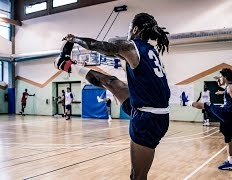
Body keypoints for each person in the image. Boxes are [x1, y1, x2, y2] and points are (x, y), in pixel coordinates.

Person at [54, 13, 170, 179]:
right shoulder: (149, 50)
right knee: (112, 82)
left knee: (137, 177)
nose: (127, 31)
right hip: (150, 109)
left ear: (135, 29)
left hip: (148, 119)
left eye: (129, 28)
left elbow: (97, 45)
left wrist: (74, 39)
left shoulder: (132, 47)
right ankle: (67, 66)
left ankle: (67, 64)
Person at [187, 68, 232, 170]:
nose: (219, 78)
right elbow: (222, 86)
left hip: (227, 114)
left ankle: (187, 102)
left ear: (225, 77)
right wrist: (219, 80)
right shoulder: (228, 87)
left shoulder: (230, 87)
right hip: (228, 117)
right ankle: (230, 162)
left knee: (207, 105)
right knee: (228, 140)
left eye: (220, 76)